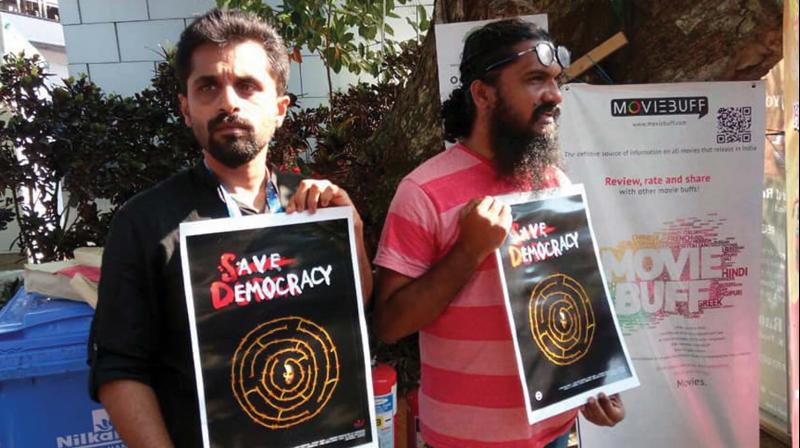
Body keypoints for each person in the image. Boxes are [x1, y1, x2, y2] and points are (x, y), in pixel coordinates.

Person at [88, 9, 372, 447]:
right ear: (186, 109)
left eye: (247, 85)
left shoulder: (314, 206)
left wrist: (348, 233)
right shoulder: (144, 223)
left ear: (279, 109)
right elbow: (119, 368)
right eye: (208, 87)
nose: (228, 102)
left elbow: (352, 311)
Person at [372, 19, 625, 448]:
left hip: (554, 435)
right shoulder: (421, 192)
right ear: (483, 93)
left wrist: (592, 383)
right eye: (535, 80)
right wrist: (468, 251)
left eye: (556, 81)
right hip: (462, 439)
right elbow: (390, 324)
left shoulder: (554, 184)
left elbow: (570, 306)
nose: (555, 95)